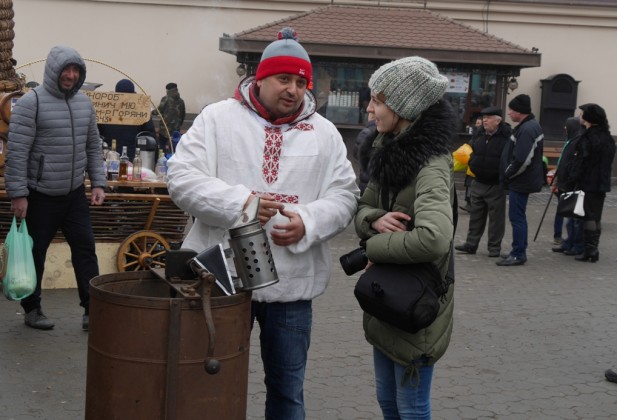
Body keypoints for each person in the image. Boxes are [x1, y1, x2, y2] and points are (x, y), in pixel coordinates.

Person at [166, 27, 359, 419]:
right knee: (209, 383)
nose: (293, 90)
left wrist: (308, 221)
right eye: (283, 79)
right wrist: (241, 204)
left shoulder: (325, 134)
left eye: (301, 82)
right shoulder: (218, 119)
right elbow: (181, 178)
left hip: (292, 285)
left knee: (287, 393)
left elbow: (344, 195)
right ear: (261, 77)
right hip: (220, 281)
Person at [353, 56, 456, 419]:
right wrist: (376, 219)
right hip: (389, 299)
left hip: (416, 304)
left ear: (403, 106)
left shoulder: (431, 163)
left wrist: (373, 246)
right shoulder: (387, 150)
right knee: (388, 402)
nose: (369, 109)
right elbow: (363, 208)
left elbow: (434, 238)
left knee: (411, 408)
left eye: (376, 101)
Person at [4, 45, 107, 331]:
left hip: (74, 194)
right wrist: (19, 194)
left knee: (85, 250)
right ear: (53, 71)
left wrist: (98, 182)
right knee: (35, 254)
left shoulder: (84, 104)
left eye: (75, 70)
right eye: (66, 70)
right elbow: (17, 152)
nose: (71, 75)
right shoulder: (31, 103)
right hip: (40, 195)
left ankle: (92, 310)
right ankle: (32, 309)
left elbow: (92, 146)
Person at [455, 106, 510, 257]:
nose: (485, 120)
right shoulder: (479, 134)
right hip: (478, 181)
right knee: (475, 216)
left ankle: (494, 248)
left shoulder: (506, 137)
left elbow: (509, 159)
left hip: (495, 184)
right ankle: (471, 244)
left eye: (489, 118)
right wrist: (472, 162)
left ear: (498, 121)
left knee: (496, 219)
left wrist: (503, 177)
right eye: (484, 117)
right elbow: (470, 150)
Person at [496, 94, 545, 266]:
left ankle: (518, 253)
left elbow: (522, 159)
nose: (509, 113)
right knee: (519, 217)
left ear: (519, 111)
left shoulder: (527, 129)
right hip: (522, 180)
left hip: (521, 181)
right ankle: (519, 250)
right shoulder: (529, 126)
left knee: (517, 218)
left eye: (511, 110)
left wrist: (507, 173)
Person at [567, 103, 615, 262]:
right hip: (601, 182)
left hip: (588, 182)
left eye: (582, 114)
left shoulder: (588, 137)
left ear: (589, 118)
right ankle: (593, 248)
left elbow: (581, 162)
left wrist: (572, 179)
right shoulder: (607, 137)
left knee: (588, 217)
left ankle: (590, 249)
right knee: (596, 216)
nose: (580, 117)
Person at [98, 78, 157, 160]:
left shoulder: (106, 110)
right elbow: (150, 135)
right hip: (134, 155)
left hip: (111, 154)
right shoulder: (141, 111)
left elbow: (98, 133)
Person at [551, 117, 584, 255]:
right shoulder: (570, 140)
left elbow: (573, 164)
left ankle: (575, 244)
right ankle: (567, 242)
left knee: (574, 218)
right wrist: (556, 179)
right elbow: (562, 162)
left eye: (567, 125)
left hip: (573, 185)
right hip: (564, 182)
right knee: (568, 216)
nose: (565, 128)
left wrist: (568, 179)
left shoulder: (578, 141)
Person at [460, 115, 483, 212]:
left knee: (472, 185)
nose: (477, 125)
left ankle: (472, 205)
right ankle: (468, 204)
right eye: (476, 123)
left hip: (476, 165)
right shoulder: (475, 136)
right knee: (468, 185)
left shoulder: (481, 137)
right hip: (470, 164)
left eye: (479, 124)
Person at [157, 82, 185, 154]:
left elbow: (159, 110)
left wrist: (150, 112)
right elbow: (183, 115)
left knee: (162, 147)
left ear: (168, 90)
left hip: (165, 129)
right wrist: (178, 125)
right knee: (174, 147)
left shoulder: (165, 99)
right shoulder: (181, 101)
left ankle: (162, 158)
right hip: (176, 129)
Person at [352, 112, 377, 194]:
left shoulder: (366, 132)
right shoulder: (385, 132)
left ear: (372, 115)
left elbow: (356, 154)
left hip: (366, 179)